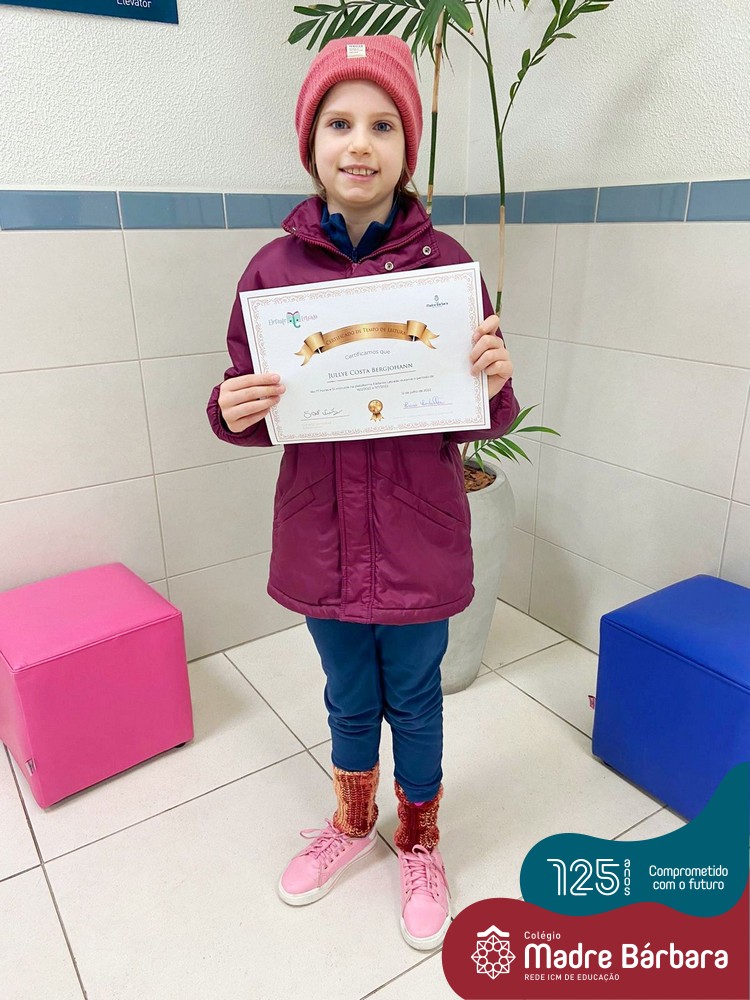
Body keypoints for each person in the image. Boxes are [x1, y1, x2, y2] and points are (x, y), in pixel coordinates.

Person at [206, 35, 520, 951]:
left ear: (406, 148)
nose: (359, 143)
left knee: (415, 697)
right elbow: (247, 405)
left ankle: (418, 840)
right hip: (322, 538)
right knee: (347, 696)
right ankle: (351, 822)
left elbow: (480, 414)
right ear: (311, 144)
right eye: (339, 123)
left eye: (383, 125)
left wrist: (494, 380)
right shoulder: (271, 273)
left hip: (420, 535)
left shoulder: (447, 267)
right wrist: (232, 407)